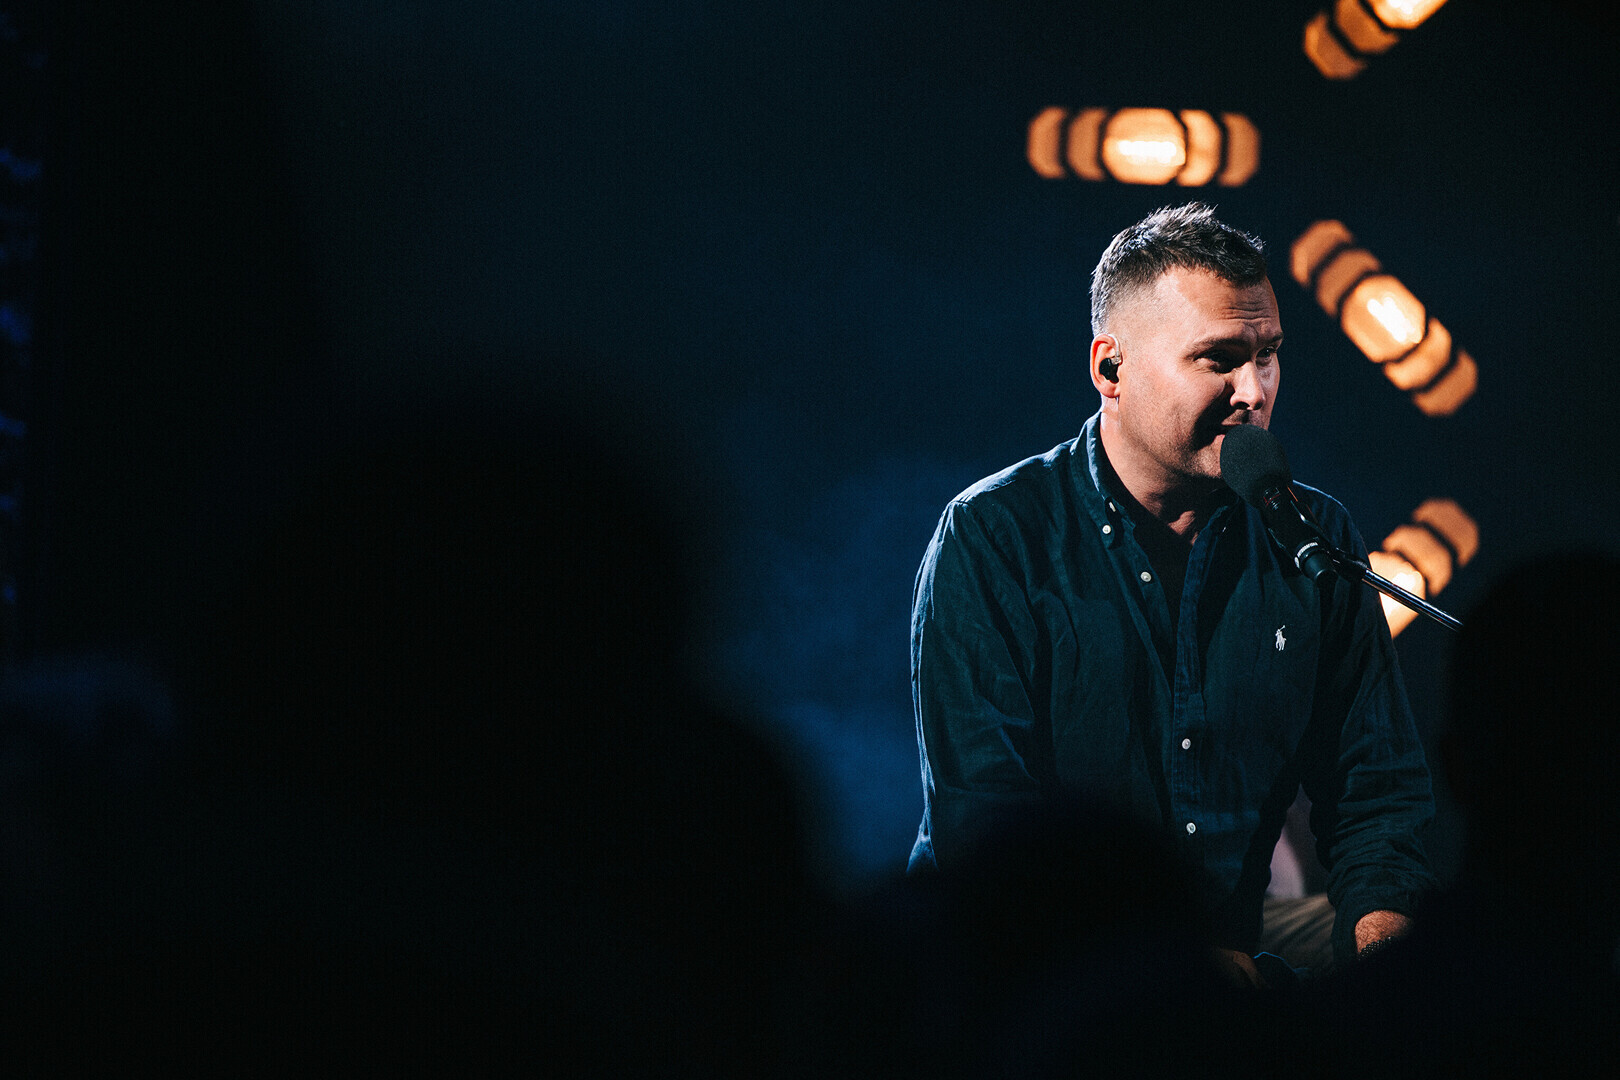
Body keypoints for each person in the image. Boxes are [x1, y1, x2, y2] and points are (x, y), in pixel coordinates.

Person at [908, 203, 1435, 976]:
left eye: (1267, 355)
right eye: (1219, 358)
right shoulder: (995, 536)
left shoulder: (1315, 536)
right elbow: (988, 834)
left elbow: (1376, 796)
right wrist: (1171, 970)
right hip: (1025, 969)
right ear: (1110, 370)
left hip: (1228, 953)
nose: (1253, 390)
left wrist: (1388, 965)